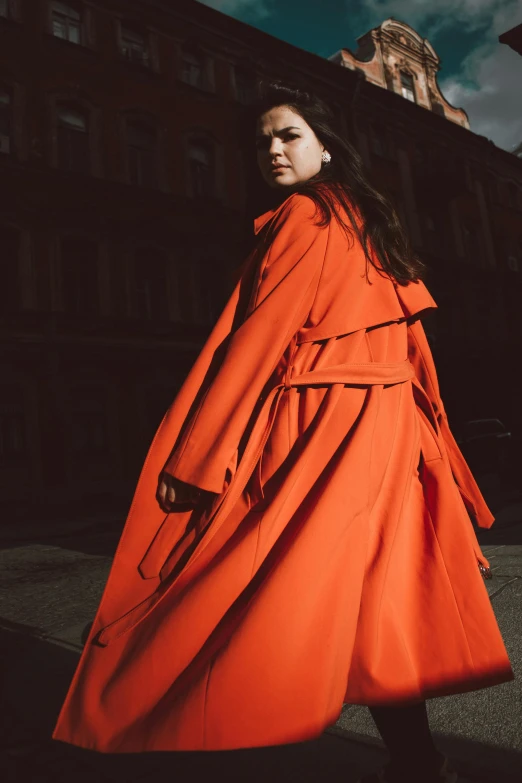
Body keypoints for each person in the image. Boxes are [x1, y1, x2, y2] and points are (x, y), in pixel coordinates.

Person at [52, 82, 513, 783]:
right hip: (386, 433)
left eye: (288, 135)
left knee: (246, 578)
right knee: (373, 604)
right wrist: (432, 440)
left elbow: (257, 341)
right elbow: (415, 348)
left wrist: (199, 452)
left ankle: (144, 702)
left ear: (326, 146)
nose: (271, 148)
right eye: (263, 139)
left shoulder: (306, 216)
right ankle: (419, 763)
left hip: (324, 430)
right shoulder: (366, 219)